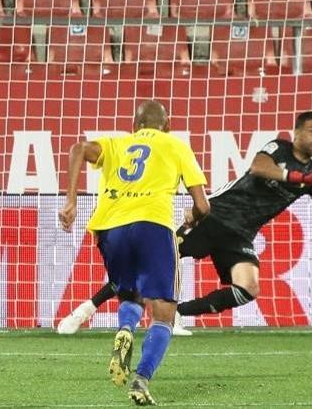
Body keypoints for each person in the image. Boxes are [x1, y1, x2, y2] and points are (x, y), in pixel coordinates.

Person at [58, 111, 312, 334]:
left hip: (240, 233)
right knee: (145, 269)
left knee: (248, 288)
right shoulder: (279, 148)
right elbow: (259, 168)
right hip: (214, 216)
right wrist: (301, 176)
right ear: (297, 132)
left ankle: (178, 313)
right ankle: (84, 310)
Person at [59, 100, 210, 407]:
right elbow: (204, 205)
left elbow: (78, 149)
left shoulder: (117, 143)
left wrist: (71, 201)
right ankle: (141, 380)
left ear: (134, 125)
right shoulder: (176, 146)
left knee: (130, 294)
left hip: (110, 228)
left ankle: (126, 329)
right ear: (166, 126)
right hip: (153, 224)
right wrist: (194, 217)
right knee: (164, 314)